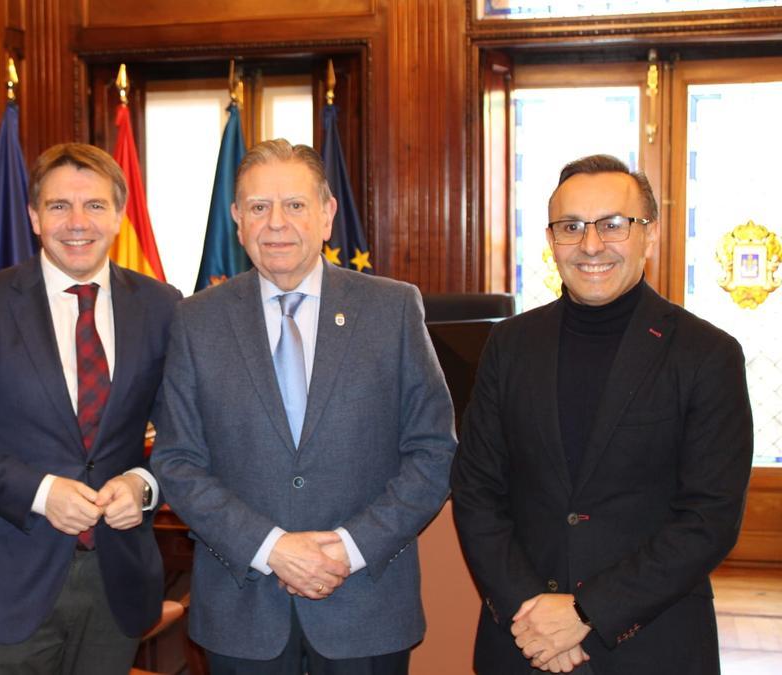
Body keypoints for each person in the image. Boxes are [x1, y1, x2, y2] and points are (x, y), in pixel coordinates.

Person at [150, 139, 457, 674]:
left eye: (295, 204)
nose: (276, 224)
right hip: (241, 612)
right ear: (237, 219)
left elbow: (433, 451)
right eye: (259, 207)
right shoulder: (196, 320)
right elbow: (177, 460)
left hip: (366, 603)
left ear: (327, 214)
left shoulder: (392, 309)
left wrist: (350, 547)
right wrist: (270, 548)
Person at [451, 154, 753, 674]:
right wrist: (532, 611)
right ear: (551, 241)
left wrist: (588, 613)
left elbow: (709, 517)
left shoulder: (707, 354)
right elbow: (477, 490)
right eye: (571, 227)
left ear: (649, 237)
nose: (591, 245)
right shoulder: (509, 344)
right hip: (523, 642)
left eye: (613, 225)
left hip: (651, 645)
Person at [0, 142, 181, 675]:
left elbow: (186, 436)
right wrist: (42, 493)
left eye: (94, 205)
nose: (77, 222)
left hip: (117, 577)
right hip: (9, 575)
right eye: (58, 206)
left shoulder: (162, 306)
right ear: (33, 216)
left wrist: (142, 486)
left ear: (119, 215)